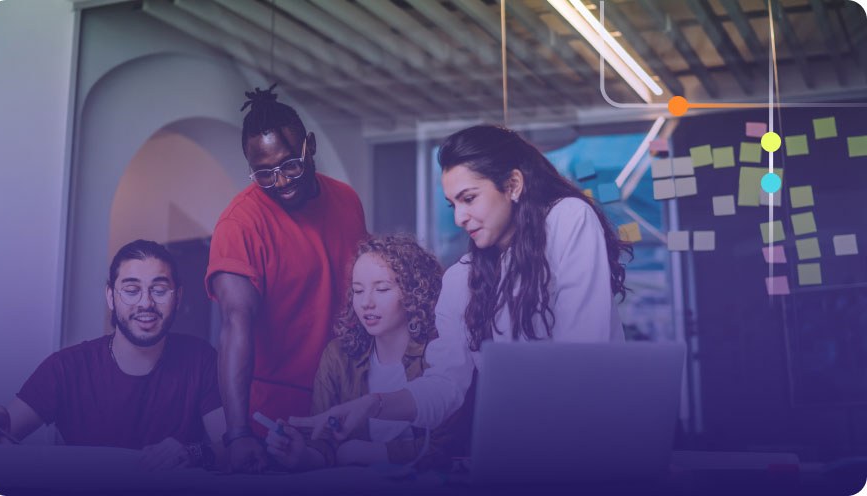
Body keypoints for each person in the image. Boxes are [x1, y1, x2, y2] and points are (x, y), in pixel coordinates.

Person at [293, 124, 631, 442]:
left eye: (469, 198)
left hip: (588, 437)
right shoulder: (462, 278)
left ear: (512, 185)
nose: (459, 217)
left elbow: (585, 350)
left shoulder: (567, 218)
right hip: (521, 448)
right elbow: (445, 386)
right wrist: (373, 404)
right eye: (453, 204)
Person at [206, 84, 367, 472]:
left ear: (309, 146)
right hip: (273, 418)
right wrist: (239, 434)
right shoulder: (240, 224)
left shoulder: (346, 199)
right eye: (264, 174)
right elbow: (234, 324)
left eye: (290, 164)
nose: (281, 181)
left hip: (343, 402)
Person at [0, 239, 225, 471]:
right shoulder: (65, 368)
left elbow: (233, 449)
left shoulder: (200, 360)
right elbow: (3, 434)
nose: (146, 303)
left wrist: (193, 453)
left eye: (160, 290)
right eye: (131, 290)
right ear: (110, 296)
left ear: (178, 297)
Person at [267, 235, 472, 470]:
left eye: (382, 289)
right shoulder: (338, 356)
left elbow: (450, 446)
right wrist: (304, 455)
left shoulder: (441, 353)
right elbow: (323, 441)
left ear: (414, 292)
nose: (366, 303)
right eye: (358, 290)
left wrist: (379, 453)